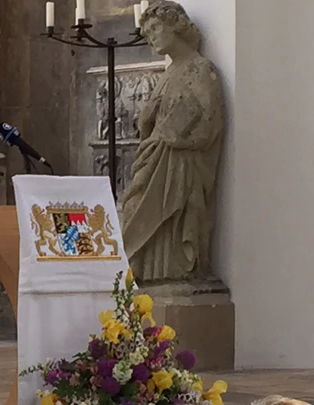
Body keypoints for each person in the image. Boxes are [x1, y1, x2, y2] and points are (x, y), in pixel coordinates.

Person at [121, 1, 224, 283]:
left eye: (155, 28)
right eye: (147, 32)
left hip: (181, 165)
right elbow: (150, 125)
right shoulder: (168, 74)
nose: (150, 37)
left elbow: (209, 122)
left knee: (167, 218)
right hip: (156, 157)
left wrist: (176, 132)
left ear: (176, 25)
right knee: (132, 208)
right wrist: (149, 121)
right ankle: (149, 277)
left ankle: (172, 275)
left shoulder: (200, 69)